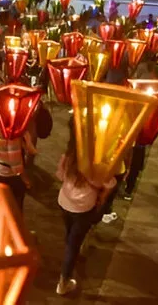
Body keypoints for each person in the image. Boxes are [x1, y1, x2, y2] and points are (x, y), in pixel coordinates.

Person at [56, 121, 115, 295]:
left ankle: (70, 250)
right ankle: (63, 282)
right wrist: (101, 197)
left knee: (70, 238)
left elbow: (60, 175)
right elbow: (110, 184)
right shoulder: (98, 161)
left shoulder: (69, 155)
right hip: (83, 208)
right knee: (72, 247)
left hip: (65, 202)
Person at [0, 108, 36, 212]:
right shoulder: (10, 127)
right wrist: (25, 178)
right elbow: (14, 160)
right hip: (8, 175)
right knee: (13, 209)